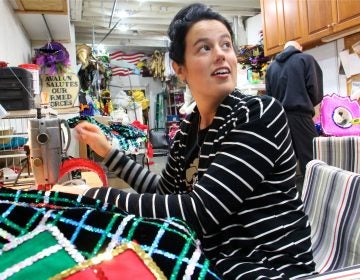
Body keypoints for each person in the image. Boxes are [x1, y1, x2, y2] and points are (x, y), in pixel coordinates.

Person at [74, 4, 316, 279]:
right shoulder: (189, 129)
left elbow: (200, 210)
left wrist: (90, 196)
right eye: (205, 48)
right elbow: (162, 192)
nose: (221, 55)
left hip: (267, 266)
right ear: (180, 69)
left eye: (226, 45)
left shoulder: (259, 114)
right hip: (216, 258)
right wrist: (108, 152)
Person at [265, 41, 323, 186]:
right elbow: (315, 90)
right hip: (301, 116)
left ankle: (291, 200)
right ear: (300, 48)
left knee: (285, 164)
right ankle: (314, 201)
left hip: (279, 121)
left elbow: (269, 96)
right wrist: (307, 104)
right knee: (312, 162)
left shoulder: (271, 68)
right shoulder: (305, 59)